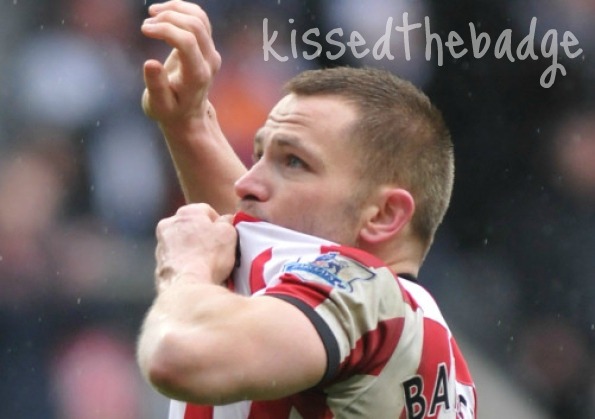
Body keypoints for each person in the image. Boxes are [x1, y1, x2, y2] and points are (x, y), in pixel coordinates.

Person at [136, 1, 477, 418]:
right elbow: (256, 241)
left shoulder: (362, 290)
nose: (246, 183)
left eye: (294, 162)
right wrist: (189, 122)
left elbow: (179, 357)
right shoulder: (419, 331)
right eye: (258, 155)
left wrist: (186, 268)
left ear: (383, 215)